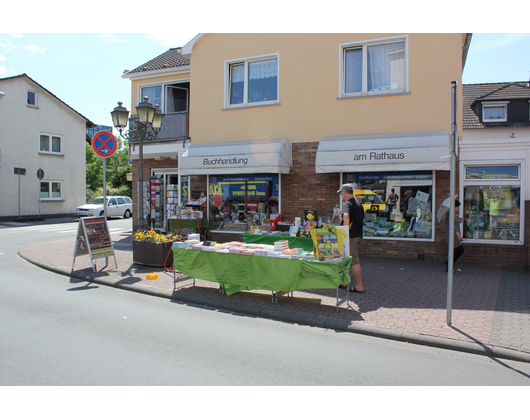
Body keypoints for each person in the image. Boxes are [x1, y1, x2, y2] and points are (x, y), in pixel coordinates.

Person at [337, 184, 365, 293]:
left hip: (351, 236)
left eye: (341, 193)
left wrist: (345, 228)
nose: (341, 195)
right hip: (357, 234)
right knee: (347, 258)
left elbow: (345, 216)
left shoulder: (347, 203)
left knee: (354, 260)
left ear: (344, 192)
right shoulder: (358, 203)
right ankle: (344, 282)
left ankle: (359, 286)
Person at [445, 199, 464, 273]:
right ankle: (450, 267)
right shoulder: (450, 215)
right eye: (457, 207)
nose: (458, 208)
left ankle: (449, 265)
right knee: (455, 251)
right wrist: (458, 234)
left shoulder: (454, 215)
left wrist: (461, 220)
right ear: (454, 207)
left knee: (457, 251)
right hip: (452, 236)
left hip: (455, 237)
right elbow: (452, 226)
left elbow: (456, 222)